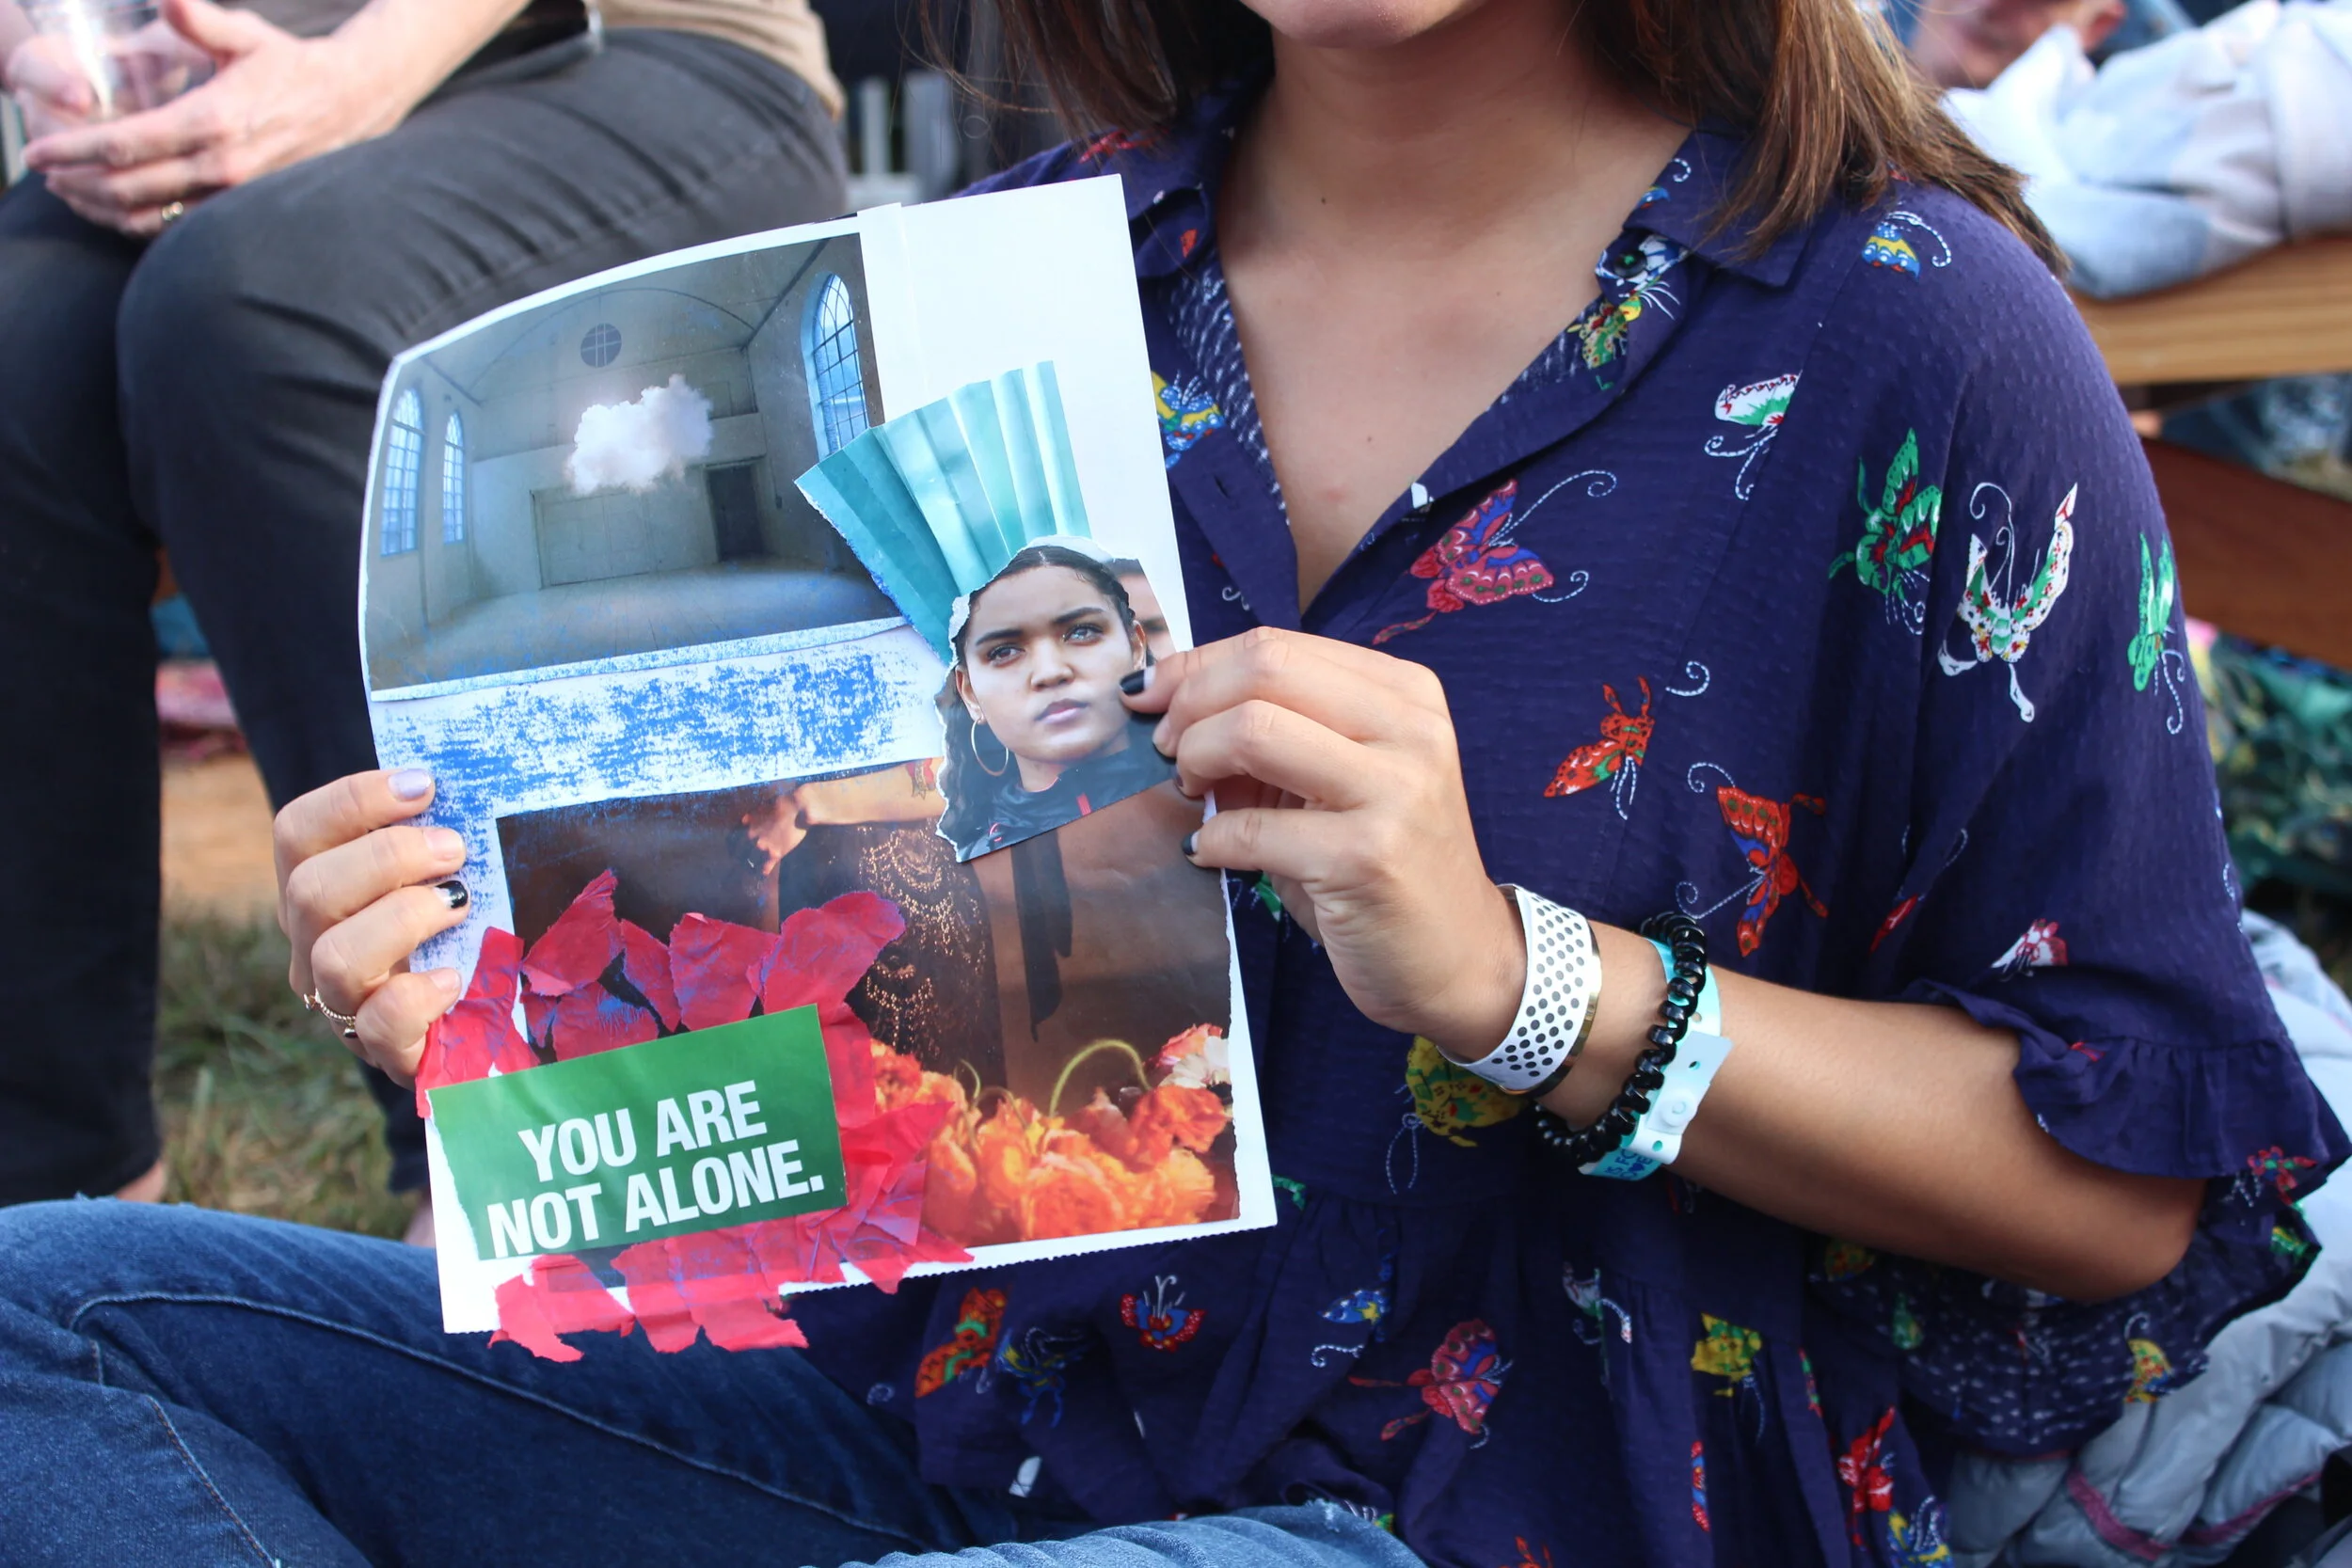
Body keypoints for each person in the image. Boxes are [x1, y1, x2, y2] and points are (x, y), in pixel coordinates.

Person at [1, 0, 2342, 1559]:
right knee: (47, 1320)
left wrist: (1532, 983)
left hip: (1506, 1505)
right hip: (944, 1430)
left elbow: (2126, 1171)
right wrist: (538, 1027)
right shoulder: (1006, 289)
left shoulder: (1914, 331)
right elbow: (902, 1058)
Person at [0, 0, 847, 1217]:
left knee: (247, 307)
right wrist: (56, 57)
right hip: (213, 102)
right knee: (18, 344)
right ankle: (63, 1188)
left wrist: (352, 77)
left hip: (637, 49)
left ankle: (489, 1146)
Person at [934, 543, 1175, 860]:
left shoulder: (1222, 791)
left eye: (1082, 632)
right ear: (970, 694)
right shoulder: (968, 881)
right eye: (1004, 652)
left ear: (1135, 648)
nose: (1050, 672)